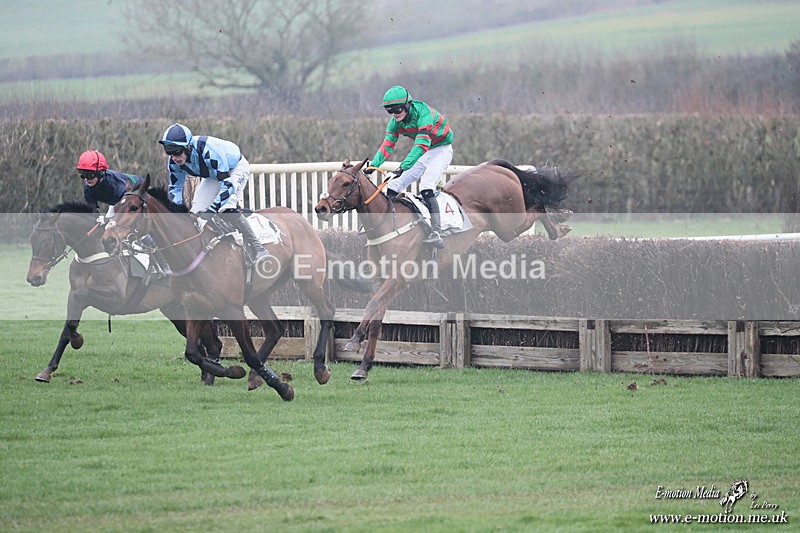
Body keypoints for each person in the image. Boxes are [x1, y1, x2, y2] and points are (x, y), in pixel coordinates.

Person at [158, 122, 268, 264]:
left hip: (234, 169)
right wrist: (177, 213)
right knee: (196, 212)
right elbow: (175, 190)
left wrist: (210, 212)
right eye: (169, 151)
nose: (173, 157)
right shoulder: (173, 163)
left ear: (188, 147)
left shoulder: (209, 151)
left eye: (177, 151)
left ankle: (258, 248)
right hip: (213, 175)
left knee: (225, 208)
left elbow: (227, 185)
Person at [368, 86, 453, 249]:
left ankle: (437, 233)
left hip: (441, 149)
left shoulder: (424, 114)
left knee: (426, 186)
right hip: (426, 150)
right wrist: (373, 165)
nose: (394, 114)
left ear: (408, 104)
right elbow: (387, 145)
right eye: (389, 110)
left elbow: (421, 145)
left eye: (397, 109)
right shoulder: (394, 123)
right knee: (393, 186)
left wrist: (402, 167)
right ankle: (392, 226)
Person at [76, 149, 170, 273]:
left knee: (139, 232)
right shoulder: (88, 187)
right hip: (118, 201)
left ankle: (164, 265)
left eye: (90, 174)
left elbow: (122, 207)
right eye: (82, 174)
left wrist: (108, 219)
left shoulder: (113, 184)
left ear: (101, 173)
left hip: (137, 194)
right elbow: (94, 212)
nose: (86, 179)